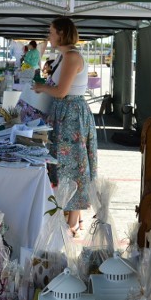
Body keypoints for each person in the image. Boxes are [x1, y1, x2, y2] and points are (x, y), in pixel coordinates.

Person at [32, 17, 98, 236]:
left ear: (61, 33)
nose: (48, 36)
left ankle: (71, 225)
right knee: (65, 165)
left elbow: (61, 91)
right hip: (64, 113)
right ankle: (71, 220)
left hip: (71, 114)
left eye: (51, 32)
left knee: (74, 166)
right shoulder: (63, 56)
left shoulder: (71, 56)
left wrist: (41, 88)